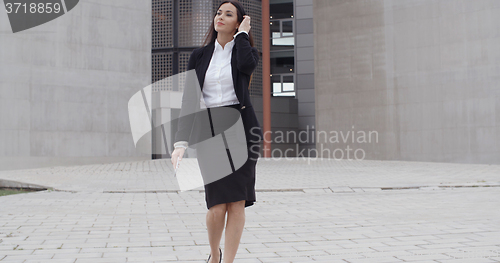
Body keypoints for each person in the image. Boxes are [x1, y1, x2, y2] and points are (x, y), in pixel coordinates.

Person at [170, 1, 263, 262]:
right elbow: (189, 100)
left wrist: (243, 35)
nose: (220, 17)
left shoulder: (247, 51)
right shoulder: (199, 56)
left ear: (239, 22)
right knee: (216, 206)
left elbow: (246, 66)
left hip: (242, 132)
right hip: (210, 132)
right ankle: (214, 254)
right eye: (219, 12)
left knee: (237, 203)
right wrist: (181, 142)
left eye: (228, 14)